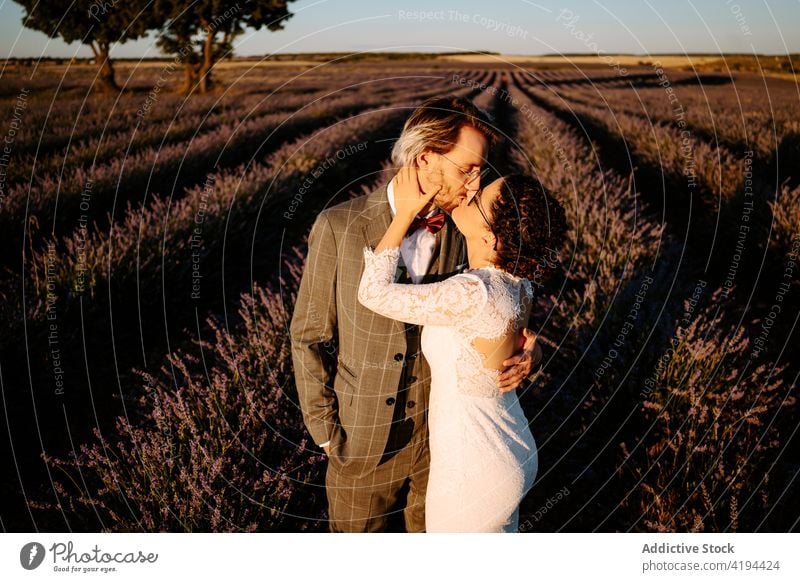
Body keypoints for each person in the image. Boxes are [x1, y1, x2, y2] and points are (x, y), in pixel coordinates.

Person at [290, 96, 542, 533]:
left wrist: (519, 350)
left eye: (480, 170)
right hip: (362, 444)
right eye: (467, 169)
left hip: (445, 452)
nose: (475, 183)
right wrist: (326, 432)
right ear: (426, 157)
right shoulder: (339, 226)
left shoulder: (468, 230)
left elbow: (496, 299)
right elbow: (308, 336)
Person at [358, 168, 567, 532]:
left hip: (474, 467)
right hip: (508, 445)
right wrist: (537, 354)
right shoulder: (520, 285)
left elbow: (371, 293)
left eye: (478, 198)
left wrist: (405, 213)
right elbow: (513, 340)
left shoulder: (473, 292)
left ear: (488, 238)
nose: (470, 194)